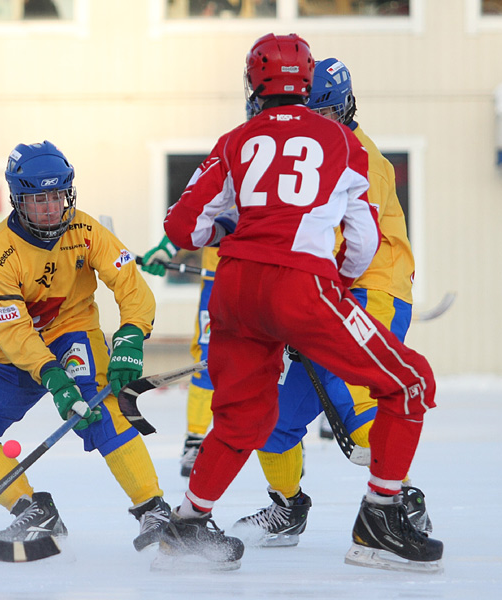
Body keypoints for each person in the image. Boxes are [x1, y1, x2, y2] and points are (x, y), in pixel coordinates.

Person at [158, 33, 443, 573]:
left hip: (237, 290)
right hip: (304, 287)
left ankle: (188, 525)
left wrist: (230, 227)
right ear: (308, 86)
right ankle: (380, 517)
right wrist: (323, 290)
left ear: (252, 86)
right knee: (408, 383)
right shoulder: (342, 144)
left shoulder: (235, 140)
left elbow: (182, 227)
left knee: (245, 417)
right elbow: (360, 242)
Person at [230, 57, 432, 549]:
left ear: (339, 112)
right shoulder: (316, 152)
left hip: (371, 290)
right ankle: (288, 508)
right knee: (273, 423)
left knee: (363, 396)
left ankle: (399, 508)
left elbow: (351, 245)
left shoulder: (358, 157)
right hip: (326, 291)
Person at [0, 140, 172, 553]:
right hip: (5, 353)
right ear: (18, 199)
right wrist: (52, 376)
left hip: (71, 333)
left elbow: (130, 282)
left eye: (58, 195)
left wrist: (132, 333)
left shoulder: (85, 229)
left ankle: (154, 508)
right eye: (38, 199)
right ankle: (31, 509)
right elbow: (14, 331)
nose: (50, 208)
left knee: (98, 407)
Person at [140, 239, 218, 476]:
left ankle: (289, 438)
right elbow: (197, 210)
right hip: (219, 280)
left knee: (279, 359)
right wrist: (167, 248)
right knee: (210, 360)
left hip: (272, 278)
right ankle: (195, 441)